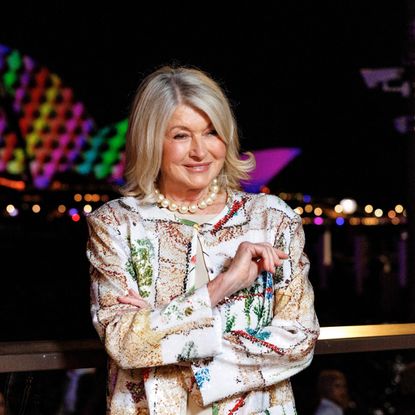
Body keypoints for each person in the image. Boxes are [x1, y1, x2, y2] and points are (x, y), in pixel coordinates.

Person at [86, 65, 320, 415]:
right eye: (180, 136)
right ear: (151, 141)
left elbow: (300, 338)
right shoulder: (117, 223)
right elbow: (124, 342)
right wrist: (222, 285)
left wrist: (161, 333)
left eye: (211, 133)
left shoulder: (270, 219)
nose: (200, 151)